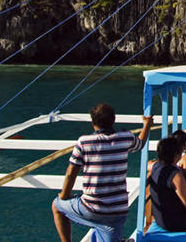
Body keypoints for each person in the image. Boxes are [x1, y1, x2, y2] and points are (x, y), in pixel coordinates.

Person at [52, 103, 153, 242]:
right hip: (117, 212)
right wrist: (147, 124)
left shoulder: (84, 142)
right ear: (114, 119)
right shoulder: (125, 138)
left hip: (92, 209)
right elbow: (141, 143)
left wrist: (64, 195)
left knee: (57, 206)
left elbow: (71, 173)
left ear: (93, 122)